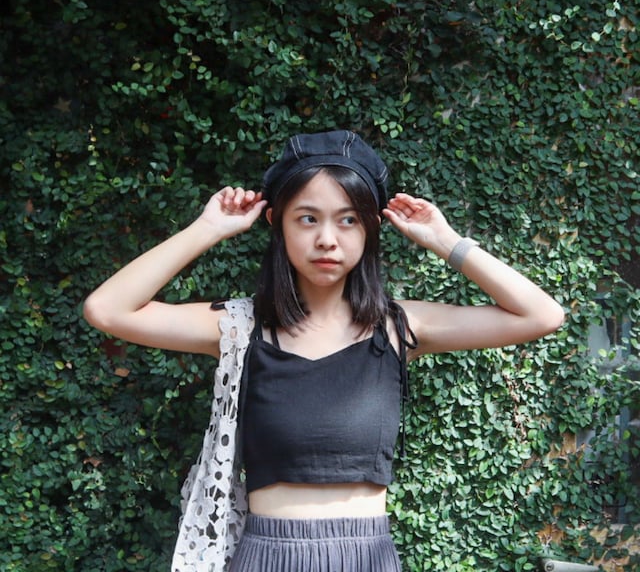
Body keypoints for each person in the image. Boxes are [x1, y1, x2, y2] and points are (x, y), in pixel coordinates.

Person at [83, 130, 565, 571]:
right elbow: (107, 309)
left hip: (367, 558)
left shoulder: (398, 327)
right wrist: (207, 229)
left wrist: (445, 241)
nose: (327, 240)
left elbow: (541, 315)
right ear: (277, 224)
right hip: (267, 557)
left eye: (348, 220)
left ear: (370, 227)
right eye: (307, 219)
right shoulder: (238, 328)